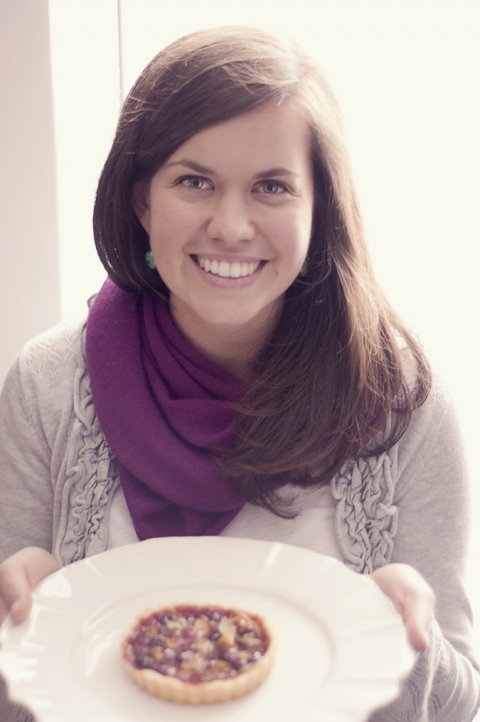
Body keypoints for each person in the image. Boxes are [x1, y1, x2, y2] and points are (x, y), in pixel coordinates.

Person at [0, 26, 478, 722]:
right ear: (141, 201)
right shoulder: (45, 387)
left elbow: (459, 706)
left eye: (272, 187)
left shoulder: (404, 403)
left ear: (319, 208)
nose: (230, 226)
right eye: (194, 181)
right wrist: (18, 640)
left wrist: (409, 642)